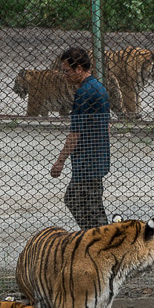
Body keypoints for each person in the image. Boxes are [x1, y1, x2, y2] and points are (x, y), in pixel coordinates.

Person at [50, 46, 110, 231]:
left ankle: (97, 240)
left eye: (67, 71)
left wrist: (59, 162)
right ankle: (94, 237)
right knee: (89, 206)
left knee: (85, 205)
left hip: (87, 161)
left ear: (79, 69)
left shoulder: (84, 94)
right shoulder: (98, 88)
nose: (65, 75)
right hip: (96, 157)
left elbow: (74, 133)